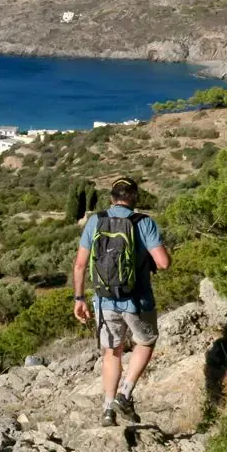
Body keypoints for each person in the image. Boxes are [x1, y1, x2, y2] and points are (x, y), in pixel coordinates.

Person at [72, 177, 171, 427]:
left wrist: (79, 298)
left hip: (104, 300)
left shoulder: (96, 220)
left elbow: (80, 264)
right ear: (134, 197)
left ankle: (107, 409)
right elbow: (164, 263)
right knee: (146, 341)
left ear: (111, 197)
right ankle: (124, 394)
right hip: (138, 300)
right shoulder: (144, 222)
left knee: (112, 351)